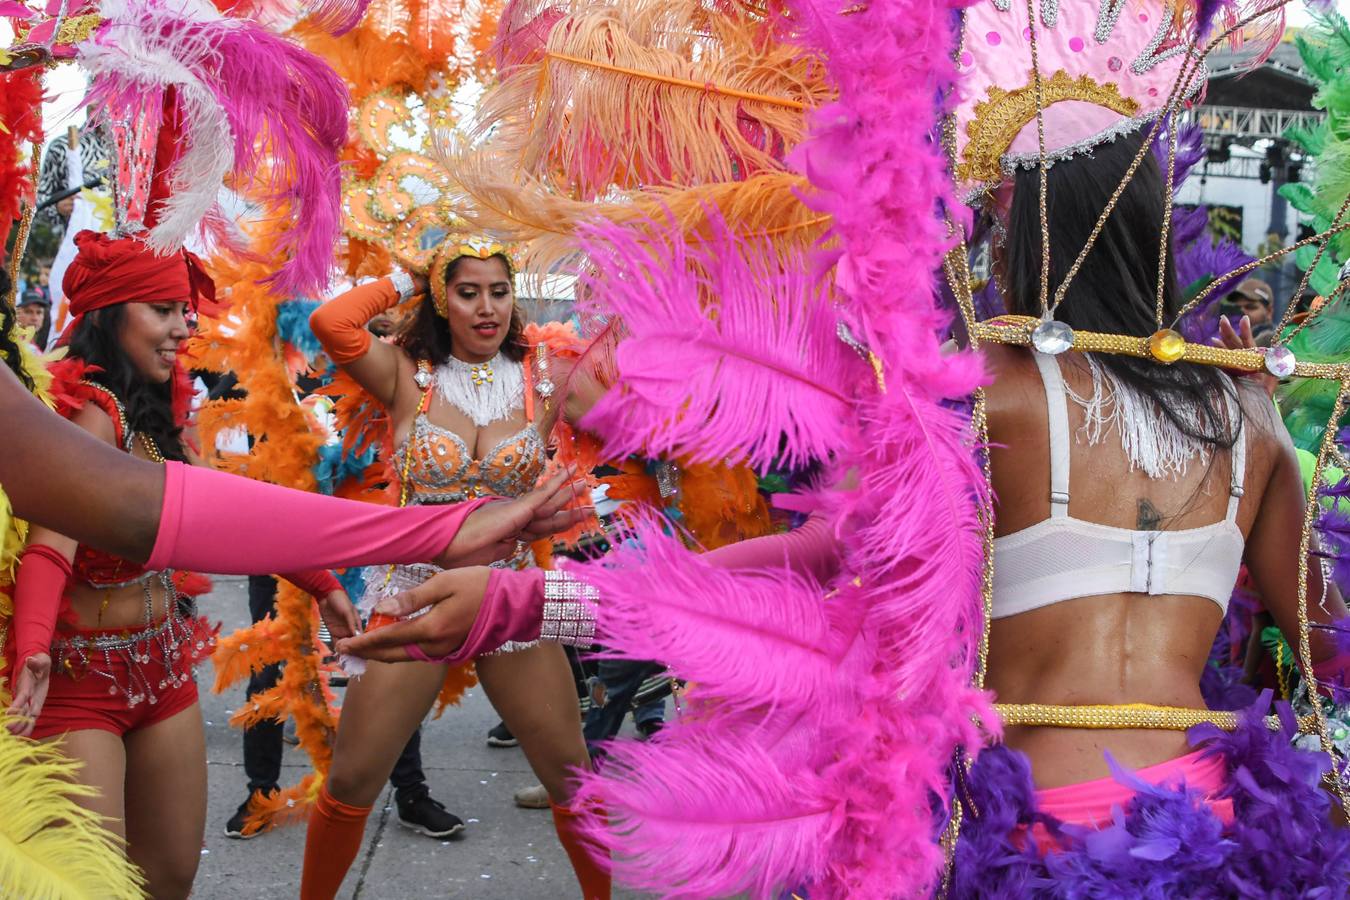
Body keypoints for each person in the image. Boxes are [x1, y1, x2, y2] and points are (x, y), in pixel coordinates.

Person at [338, 110, 1350, 900]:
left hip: (1026, 829)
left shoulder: (982, 397)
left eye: (994, 219)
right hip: (1208, 824)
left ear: (1022, 235)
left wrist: (530, 600)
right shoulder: (1250, 413)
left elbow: (823, 555)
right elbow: (1321, 646)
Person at [1, 231, 588, 899]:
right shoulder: (90, 412)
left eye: (183, 311)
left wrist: (318, 579)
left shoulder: (155, 409)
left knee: (169, 876)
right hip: (88, 676)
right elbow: (55, 539)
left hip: (164, 669)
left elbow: (223, 511)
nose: (184, 328)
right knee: (94, 882)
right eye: (163, 311)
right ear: (110, 316)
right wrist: (33, 645)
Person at [302, 239, 611, 900]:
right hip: (414, 592)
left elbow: (640, 423)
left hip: (508, 595)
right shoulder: (405, 374)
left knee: (572, 779)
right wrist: (406, 278)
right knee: (352, 781)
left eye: (499, 291)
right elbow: (331, 322)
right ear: (442, 301)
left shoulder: (545, 374)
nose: (487, 307)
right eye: (467, 293)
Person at [225, 575, 463, 841]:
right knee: (269, 671)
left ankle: (411, 793)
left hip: (358, 560)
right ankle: (260, 794)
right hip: (282, 564)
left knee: (388, 663)